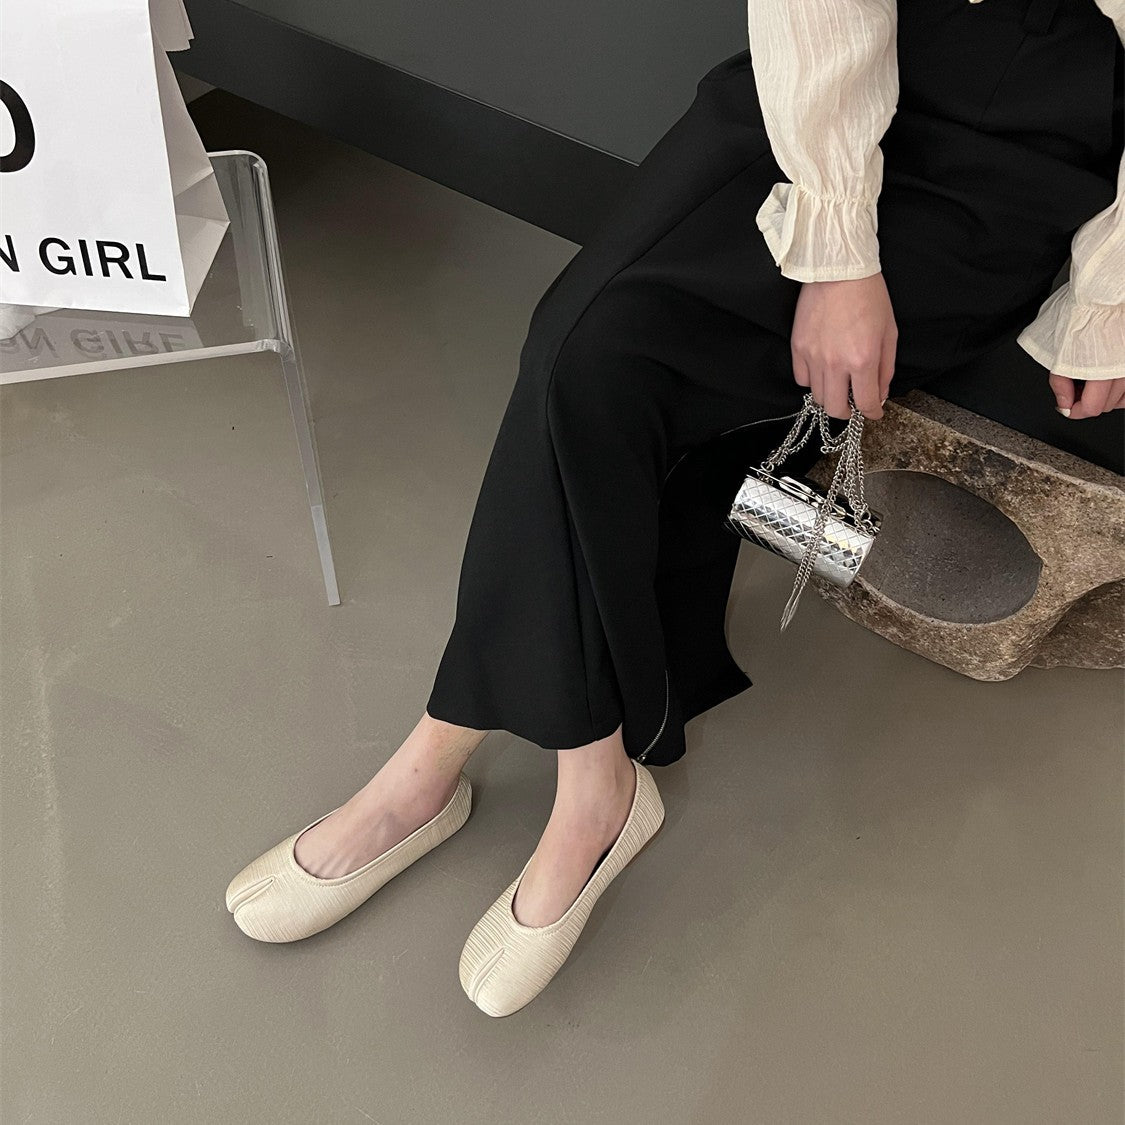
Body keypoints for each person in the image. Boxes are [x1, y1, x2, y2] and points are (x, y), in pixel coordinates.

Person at [224, 0, 1125, 1017]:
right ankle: (578, 778)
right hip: (820, 81)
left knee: (646, 392)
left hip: (1027, 144)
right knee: (584, 355)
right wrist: (837, 253)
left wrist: (1107, 296)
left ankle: (444, 767)